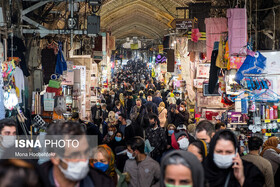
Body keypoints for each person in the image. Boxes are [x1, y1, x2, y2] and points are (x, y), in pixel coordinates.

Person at [40, 121, 114, 187]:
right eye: (75, 155)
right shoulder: (34, 181)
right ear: (55, 158)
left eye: (85, 153)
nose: (83, 160)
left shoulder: (102, 183)